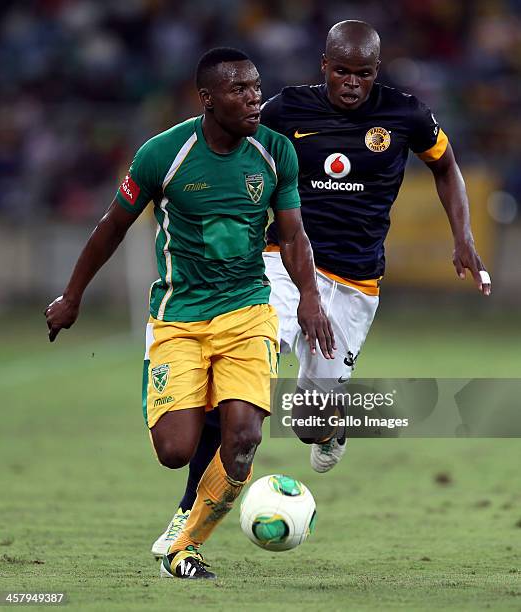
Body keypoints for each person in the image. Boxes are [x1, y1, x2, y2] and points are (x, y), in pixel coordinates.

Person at [151, 21, 491, 558]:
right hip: (281, 265)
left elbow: (446, 167)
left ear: (376, 71)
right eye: (341, 71)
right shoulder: (288, 110)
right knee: (242, 383)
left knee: (311, 423)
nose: (351, 82)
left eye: (363, 73)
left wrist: (464, 237)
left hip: (355, 283)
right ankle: (187, 513)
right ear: (324, 66)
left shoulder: (406, 114)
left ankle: (331, 431)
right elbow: (226, 139)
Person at [44, 47, 334, 580]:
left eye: (256, 87)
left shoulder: (275, 152)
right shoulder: (163, 154)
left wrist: (310, 297)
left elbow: (292, 234)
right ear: (207, 99)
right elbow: (111, 227)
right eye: (240, 90)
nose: (254, 98)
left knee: (243, 439)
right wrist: (72, 296)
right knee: (174, 451)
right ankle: (203, 410)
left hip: (248, 311)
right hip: (179, 318)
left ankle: (186, 544)